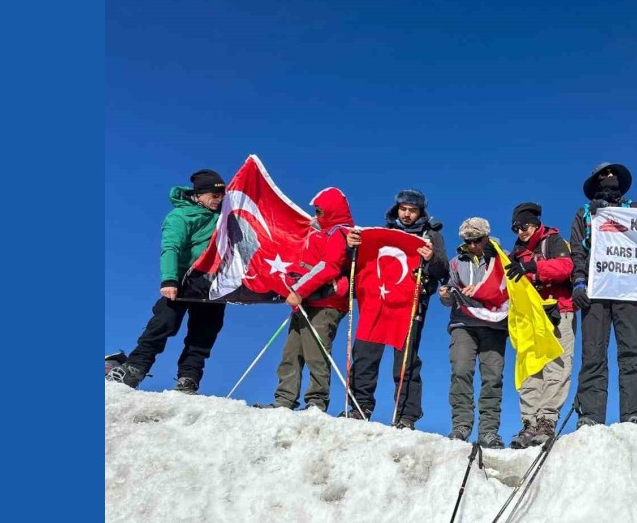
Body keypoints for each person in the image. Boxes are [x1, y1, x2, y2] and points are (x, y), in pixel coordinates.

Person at [106, 170, 228, 394]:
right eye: (214, 195)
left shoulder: (224, 218)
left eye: (222, 196)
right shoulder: (181, 217)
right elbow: (171, 248)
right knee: (164, 324)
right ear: (199, 194)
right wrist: (169, 280)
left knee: (204, 333)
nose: (219, 199)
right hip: (182, 280)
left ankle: (188, 379)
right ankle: (135, 368)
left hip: (212, 284)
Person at [345, 189, 448, 429]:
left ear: (421, 211)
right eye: (404, 209)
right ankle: (360, 407)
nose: (407, 214)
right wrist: (352, 246)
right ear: (397, 209)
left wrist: (431, 257)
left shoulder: (430, 235)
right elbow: (356, 262)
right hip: (379, 300)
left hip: (410, 303)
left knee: (406, 360)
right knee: (365, 353)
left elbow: (443, 271)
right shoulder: (383, 234)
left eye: (413, 210)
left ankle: (406, 416)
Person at [253, 188, 354, 412]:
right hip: (306, 301)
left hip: (326, 303)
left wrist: (299, 290)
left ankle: (316, 403)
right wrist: (292, 282)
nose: (316, 216)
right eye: (316, 211)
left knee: (315, 352)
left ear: (332, 211)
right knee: (291, 352)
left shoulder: (340, 233)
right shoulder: (318, 233)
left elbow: (330, 266)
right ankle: (284, 400)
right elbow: (306, 265)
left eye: (319, 211)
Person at [570, 162, 637, 428]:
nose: (609, 178)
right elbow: (577, 252)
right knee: (592, 352)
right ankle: (590, 414)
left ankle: (634, 413)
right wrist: (578, 282)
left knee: (633, 350)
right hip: (596, 287)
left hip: (628, 287)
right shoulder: (584, 214)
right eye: (604, 175)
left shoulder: (635, 210)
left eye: (613, 174)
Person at [503, 202, 575, 448]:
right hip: (531, 318)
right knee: (531, 369)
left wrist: (534, 267)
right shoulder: (516, 253)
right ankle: (529, 422)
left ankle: (547, 420)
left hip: (558, 312)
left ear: (535, 224)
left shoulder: (553, 241)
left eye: (523, 226)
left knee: (556, 367)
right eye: (515, 228)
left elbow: (566, 268)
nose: (520, 232)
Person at [438, 218, 508, 448]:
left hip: (494, 325)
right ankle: (461, 426)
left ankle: (488, 431)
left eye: (477, 240)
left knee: (492, 378)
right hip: (463, 324)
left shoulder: (503, 258)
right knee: (460, 371)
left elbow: (511, 290)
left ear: (487, 237)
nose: (472, 245)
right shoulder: (456, 262)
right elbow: (448, 298)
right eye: (468, 241)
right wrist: (446, 295)